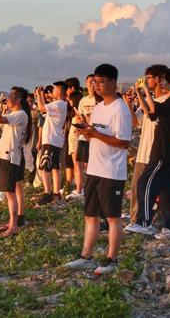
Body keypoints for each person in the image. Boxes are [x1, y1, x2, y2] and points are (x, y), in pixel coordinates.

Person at [64, 63, 132, 275]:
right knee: (90, 215)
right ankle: (86, 256)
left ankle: (112, 259)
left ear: (113, 82)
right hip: (94, 168)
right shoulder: (99, 107)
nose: (98, 86)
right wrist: (86, 132)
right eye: (95, 82)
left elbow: (124, 142)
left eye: (102, 82)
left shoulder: (120, 109)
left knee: (112, 217)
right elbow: (97, 134)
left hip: (112, 171)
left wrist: (95, 135)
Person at [126, 68, 170, 239]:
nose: (161, 83)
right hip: (166, 148)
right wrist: (139, 92)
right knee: (168, 189)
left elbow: (155, 108)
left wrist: (145, 90)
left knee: (144, 182)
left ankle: (144, 222)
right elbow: (150, 112)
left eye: (164, 80)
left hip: (164, 148)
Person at [124, 64, 168, 227]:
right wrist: (130, 104)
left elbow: (153, 111)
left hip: (156, 153)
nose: (146, 81)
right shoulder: (148, 101)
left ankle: (147, 220)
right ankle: (135, 219)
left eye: (149, 77)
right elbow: (136, 123)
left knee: (152, 189)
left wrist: (143, 94)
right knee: (137, 186)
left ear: (158, 79)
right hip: (143, 151)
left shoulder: (166, 101)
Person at [0, 86, 31, 236]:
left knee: (9, 192)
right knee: (16, 188)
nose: (7, 99)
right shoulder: (16, 113)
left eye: (10, 97)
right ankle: (17, 219)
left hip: (9, 156)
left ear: (18, 100)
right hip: (13, 156)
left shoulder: (20, 114)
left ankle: (14, 226)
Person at [35, 81, 68, 205]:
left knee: (45, 167)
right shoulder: (61, 104)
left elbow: (42, 108)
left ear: (59, 91)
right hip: (55, 139)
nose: (52, 91)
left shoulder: (59, 104)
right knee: (54, 167)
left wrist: (39, 95)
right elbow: (45, 111)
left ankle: (47, 193)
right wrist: (42, 97)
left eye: (54, 89)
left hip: (51, 139)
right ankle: (56, 193)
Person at [71, 74, 98, 199]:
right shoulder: (84, 100)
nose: (92, 84)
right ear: (86, 84)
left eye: (94, 82)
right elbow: (80, 116)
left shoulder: (100, 100)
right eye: (90, 82)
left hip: (96, 136)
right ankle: (79, 189)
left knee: (92, 166)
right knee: (79, 163)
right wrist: (80, 121)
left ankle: (92, 189)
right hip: (83, 135)